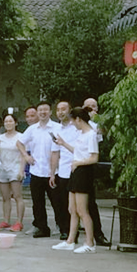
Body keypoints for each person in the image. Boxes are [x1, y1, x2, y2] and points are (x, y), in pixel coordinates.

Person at [52, 107, 99, 253]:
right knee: (72, 209)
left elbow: (94, 157)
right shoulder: (81, 134)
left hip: (83, 172)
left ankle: (90, 243)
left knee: (82, 210)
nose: (72, 123)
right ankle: (70, 241)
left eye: (73, 120)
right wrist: (63, 143)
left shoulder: (91, 134)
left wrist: (78, 163)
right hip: (75, 170)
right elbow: (78, 151)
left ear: (78, 119)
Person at [16, 101, 62, 238]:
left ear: (50, 112)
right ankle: (42, 228)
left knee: (58, 201)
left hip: (53, 172)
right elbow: (19, 143)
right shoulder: (32, 129)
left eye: (45, 110)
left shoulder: (57, 128)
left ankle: (62, 226)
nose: (43, 112)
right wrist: (26, 156)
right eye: (40, 110)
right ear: (37, 112)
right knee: (37, 202)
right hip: (36, 170)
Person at [81, 97, 110, 246]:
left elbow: (101, 136)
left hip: (87, 165)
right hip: (70, 166)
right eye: (88, 107)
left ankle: (97, 234)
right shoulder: (76, 124)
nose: (91, 109)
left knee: (90, 202)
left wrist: (96, 120)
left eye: (94, 107)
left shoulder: (95, 126)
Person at [49, 101, 76, 241]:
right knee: (63, 203)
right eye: (58, 109)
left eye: (63, 109)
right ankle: (65, 231)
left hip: (77, 169)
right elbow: (55, 153)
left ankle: (96, 234)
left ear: (70, 110)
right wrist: (52, 173)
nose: (60, 112)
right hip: (63, 171)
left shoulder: (77, 127)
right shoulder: (57, 130)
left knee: (83, 205)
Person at [0, 113, 25, 231]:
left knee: (17, 196)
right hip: (3, 168)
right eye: (6, 121)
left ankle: (19, 222)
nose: (8, 123)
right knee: (5, 197)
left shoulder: (20, 137)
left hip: (15, 168)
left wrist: (21, 170)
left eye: (10, 121)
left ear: (16, 123)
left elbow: (23, 154)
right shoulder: (1, 137)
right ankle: (6, 220)